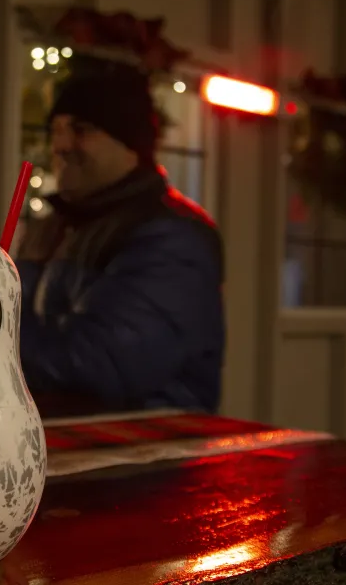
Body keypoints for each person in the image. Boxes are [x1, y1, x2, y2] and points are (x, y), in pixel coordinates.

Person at [15, 67, 225, 414]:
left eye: (82, 130)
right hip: (77, 449)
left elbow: (97, 369)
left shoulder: (174, 238)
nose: (61, 146)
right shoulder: (68, 226)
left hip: (143, 453)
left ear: (130, 143)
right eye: (56, 130)